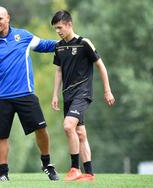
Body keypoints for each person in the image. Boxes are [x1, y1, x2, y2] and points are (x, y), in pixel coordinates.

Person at [0, 6, 59, 181]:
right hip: (1, 97)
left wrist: (63, 44)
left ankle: (47, 164)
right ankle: (3, 172)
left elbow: (44, 45)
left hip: (25, 94)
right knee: (1, 135)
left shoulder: (23, 36)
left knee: (41, 129)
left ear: (8, 18)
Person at [50, 10, 115, 181]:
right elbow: (58, 71)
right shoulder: (59, 46)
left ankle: (74, 168)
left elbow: (101, 66)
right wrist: (55, 95)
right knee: (80, 133)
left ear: (69, 24)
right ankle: (89, 173)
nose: (58, 31)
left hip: (82, 93)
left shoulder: (84, 43)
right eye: (55, 28)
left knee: (68, 126)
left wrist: (107, 90)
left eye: (60, 27)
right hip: (67, 96)